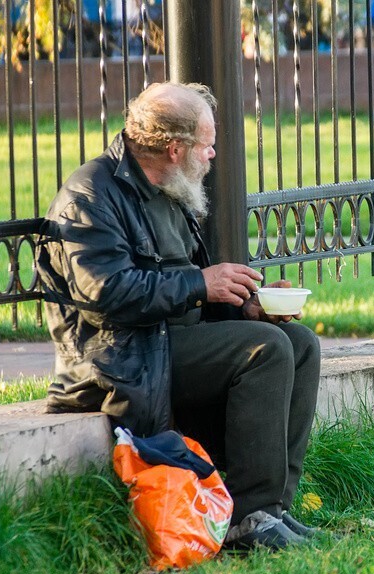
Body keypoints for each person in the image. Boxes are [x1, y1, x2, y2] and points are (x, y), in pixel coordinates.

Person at [36, 82, 322, 550]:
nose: (212, 155)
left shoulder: (167, 185)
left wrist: (242, 305)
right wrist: (201, 283)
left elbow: (181, 287)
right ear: (174, 148)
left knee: (300, 343)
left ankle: (271, 510)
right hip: (118, 358)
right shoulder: (91, 193)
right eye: (207, 144)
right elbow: (107, 291)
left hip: (166, 343)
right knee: (264, 350)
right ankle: (249, 521)